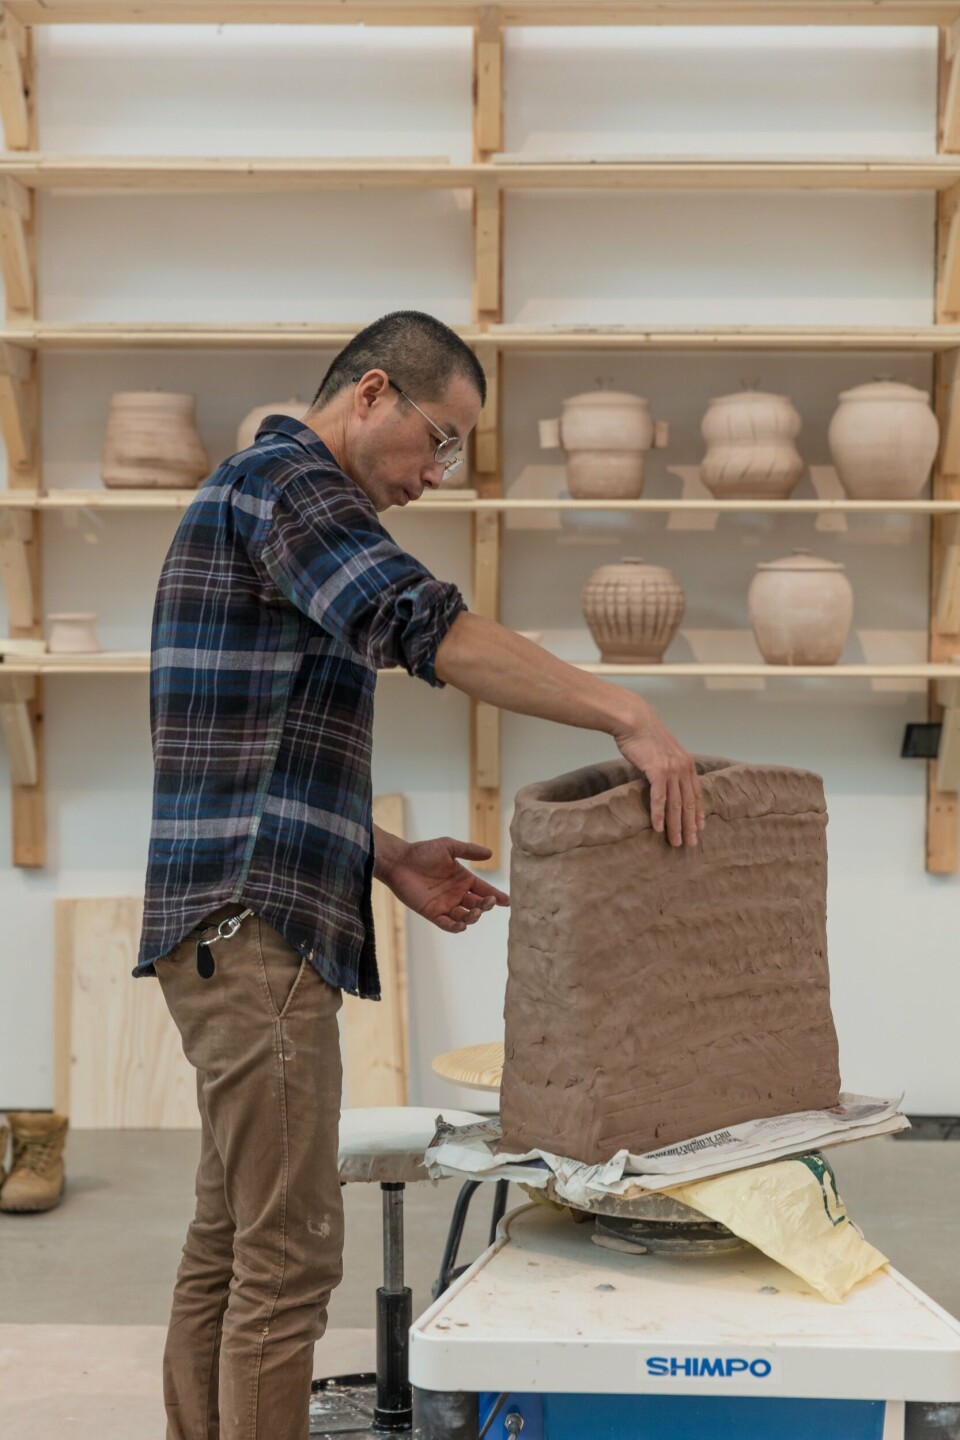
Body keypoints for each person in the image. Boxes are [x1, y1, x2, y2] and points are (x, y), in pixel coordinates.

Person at [135, 310, 704, 1440]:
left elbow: (245, 751)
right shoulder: (294, 488)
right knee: (288, 1263)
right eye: (437, 441)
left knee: (233, 1240)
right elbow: (420, 622)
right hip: (257, 936)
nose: (437, 475)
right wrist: (626, 711)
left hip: (231, 916)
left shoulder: (257, 494)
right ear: (374, 394)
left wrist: (386, 857)